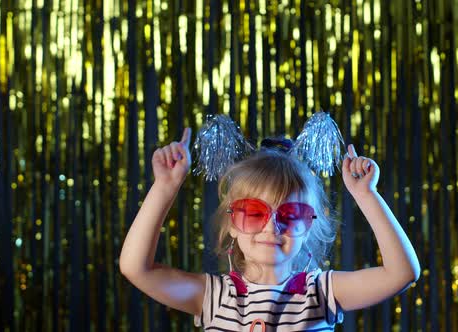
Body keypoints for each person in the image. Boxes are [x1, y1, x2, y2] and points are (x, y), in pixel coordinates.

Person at [119, 126, 420, 331]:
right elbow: (135, 268)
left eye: (291, 214)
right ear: (231, 224)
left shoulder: (322, 292)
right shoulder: (212, 296)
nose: (272, 226)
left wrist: (367, 195)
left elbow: (402, 273)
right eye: (253, 212)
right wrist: (165, 187)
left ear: (309, 226)